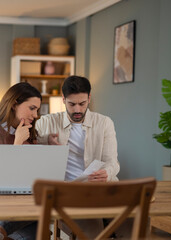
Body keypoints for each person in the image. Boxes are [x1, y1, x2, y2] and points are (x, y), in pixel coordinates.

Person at [35, 75, 120, 238]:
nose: (77, 110)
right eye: (72, 104)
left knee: (136, 220)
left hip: (102, 190)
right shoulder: (46, 122)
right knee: (93, 228)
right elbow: (26, 143)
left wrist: (107, 173)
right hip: (70, 193)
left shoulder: (104, 123)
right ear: (63, 99)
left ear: (89, 98)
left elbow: (113, 162)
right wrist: (46, 140)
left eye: (82, 104)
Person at [0, 82, 42, 240]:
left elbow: (31, 173)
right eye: (32, 108)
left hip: (20, 204)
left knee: (40, 214)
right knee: (36, 227)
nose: (36, 115)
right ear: (14, 104)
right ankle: (0, 231)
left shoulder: (28, 133)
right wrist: (17, 143)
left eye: (37, 110)